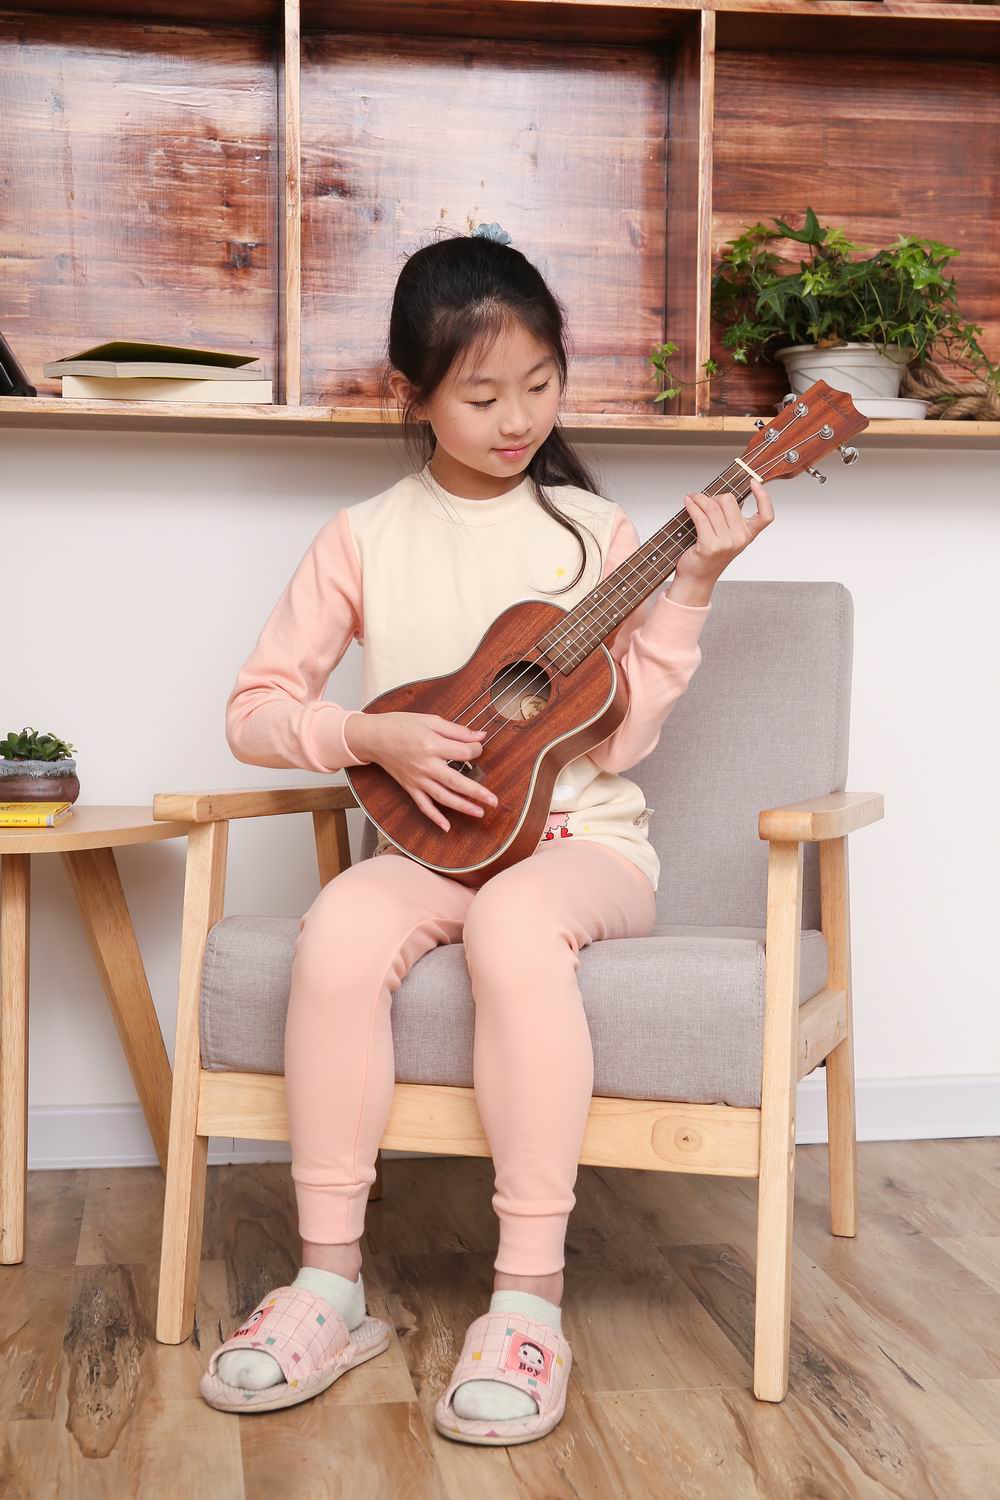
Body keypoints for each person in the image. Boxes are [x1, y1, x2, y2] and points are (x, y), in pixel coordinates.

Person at [198, 222, 774, 1441]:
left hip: (582, 850)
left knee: (517, 921)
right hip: (431, 848)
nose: (517, 419)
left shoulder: (595, 535)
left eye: (539, 385)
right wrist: (368, 734)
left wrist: (692, 587)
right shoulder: (363, 536)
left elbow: (622, 740)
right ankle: (326, 1285)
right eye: (480, 395)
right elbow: (253, 711)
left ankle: (526, 1302)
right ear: (412, 395)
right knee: (339, 927)